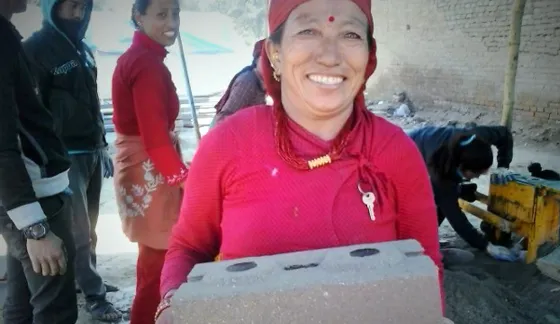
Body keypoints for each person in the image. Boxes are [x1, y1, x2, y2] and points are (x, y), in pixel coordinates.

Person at [156, 0, 444, 322]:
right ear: (274, 53)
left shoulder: (395, 152)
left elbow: (425, 271)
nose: (330, 55)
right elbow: (188, 248)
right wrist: (173, 306)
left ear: (368, 55)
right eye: (308, 31)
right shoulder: (227, 145)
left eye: (350, 34)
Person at [21, 0, 121, 321]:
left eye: (82, 7)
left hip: (91, 149)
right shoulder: (35, 49)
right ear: (52, 8)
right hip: (65, 157)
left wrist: (103, 144)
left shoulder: (84, 50)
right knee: (77, 230)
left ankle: (87, 277)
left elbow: (92, 101)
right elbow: (32, 112)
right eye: (70, 8)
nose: (78, 15)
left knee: (89, 228)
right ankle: (95, 296)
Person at [0, 0, 78, 322]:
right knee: (54, 311)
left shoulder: (6, 34)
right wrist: (35, 228)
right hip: (32, 194)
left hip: (22, 192)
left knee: (21, 307)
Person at [111, 0, 186, 322]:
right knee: (158, 267)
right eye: (161, 14)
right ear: (138, 17)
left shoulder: (142, 58)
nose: (171, 21)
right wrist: (187, 180)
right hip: (150, 168)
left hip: (143, 165)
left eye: (175, 13)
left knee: (152, 264)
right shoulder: (146, 64)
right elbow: (155, 137)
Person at [408, 125, 521, 261]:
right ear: (461, 167)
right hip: (408, 151)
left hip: (436, 146)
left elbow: (505, 134)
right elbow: (456, 218)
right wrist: (486, 246)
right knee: (435, 200)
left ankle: (427, 237)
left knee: (446, 194)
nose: (479, 177)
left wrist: (503, 165)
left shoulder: (477, 138)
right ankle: (418, 244)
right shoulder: (440, 170)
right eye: (476, 173)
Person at [211, 39, 267, 126]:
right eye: (266, 60)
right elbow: (223, 119)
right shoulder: (248, 82)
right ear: (256, 60)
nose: (270, 65)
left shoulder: (261, 82)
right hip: (222, 133)